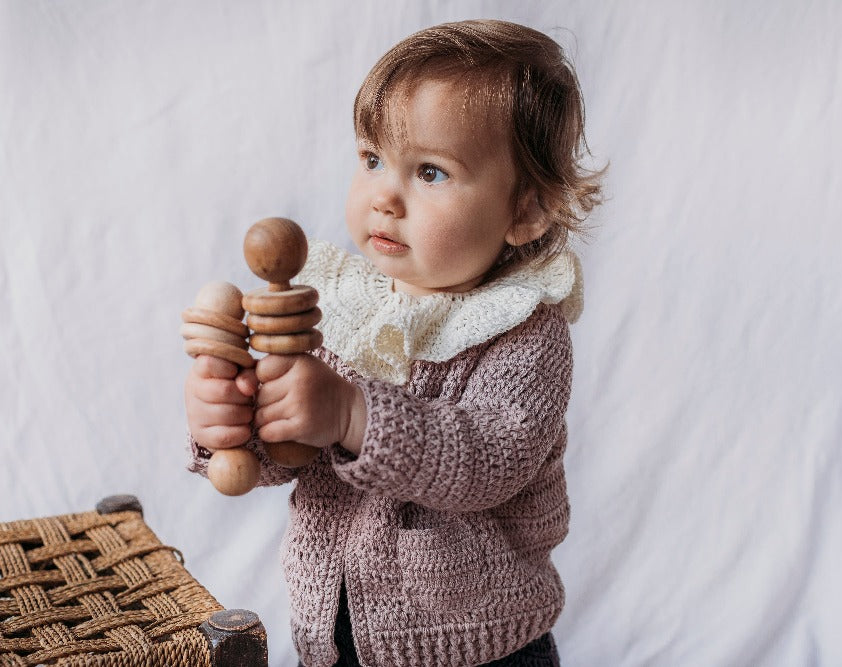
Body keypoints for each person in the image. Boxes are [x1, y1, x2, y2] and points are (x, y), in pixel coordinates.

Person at [184, 19, 603, 667]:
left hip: (475, 645)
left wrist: (353, 412)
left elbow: (486, 459)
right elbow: (294, 448)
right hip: (333, 634)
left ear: (524, 211)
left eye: (430, 172)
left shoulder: (525, 329)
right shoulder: (342, 308)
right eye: (373, 159)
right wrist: (231, 423)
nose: (384, 196)